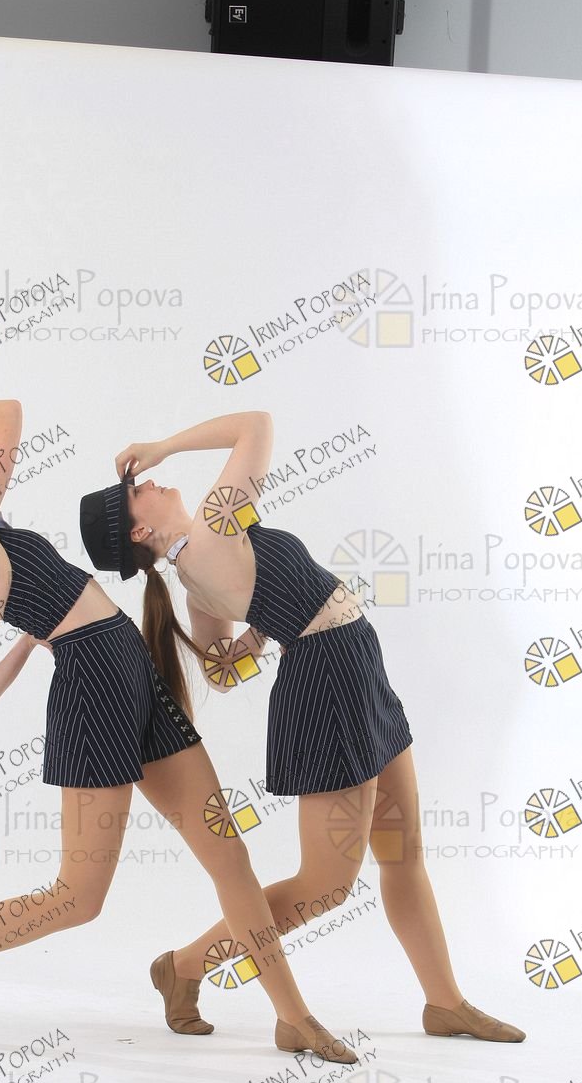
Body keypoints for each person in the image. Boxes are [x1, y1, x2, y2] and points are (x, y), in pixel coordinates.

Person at [0, 397, 357, 1061]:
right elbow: (7, 415)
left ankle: (290, 1015)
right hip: (96, 690)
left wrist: (34, 633)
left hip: (123, 671)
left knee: (228, 856)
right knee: (77, 896)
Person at [79, 409, 525, 1044]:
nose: (147, 479)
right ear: (141, 529)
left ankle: (445, 1003)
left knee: (403, 855)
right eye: (135, 490)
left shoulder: (196, 578)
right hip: (327, 686)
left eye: (140, 476)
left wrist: (265, 626)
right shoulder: (215, 528)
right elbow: (255, 425)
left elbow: (223, 671)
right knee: (326, 886)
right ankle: (184, 966)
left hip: (355, 668)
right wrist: (163, 445)